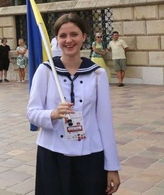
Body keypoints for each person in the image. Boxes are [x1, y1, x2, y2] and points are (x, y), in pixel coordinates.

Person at [27, 13, 121, 195]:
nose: (68, 40)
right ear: (56, 39)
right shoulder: (45, 71)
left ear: (84, 37)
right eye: (63, 36)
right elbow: (31, 112)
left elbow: (105, 122)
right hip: (52, 154)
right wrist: (52, 114)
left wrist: (112, 167)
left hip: (90, 155)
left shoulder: (97, 74)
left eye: (74, 34)